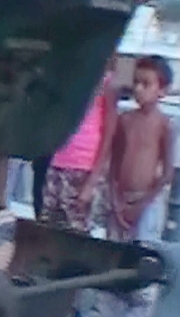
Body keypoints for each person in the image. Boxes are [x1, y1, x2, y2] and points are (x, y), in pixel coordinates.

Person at [68, 55, 177, 317]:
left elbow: (167, 172)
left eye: (147, 84)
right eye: (136, 83)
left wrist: (144, 202)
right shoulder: (125, 121)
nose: (139, 89)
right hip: (118, 199)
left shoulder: (165, 125)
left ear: (162, 90)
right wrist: (115, 199)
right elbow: (114, 164)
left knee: (144, 260)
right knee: (112, 256)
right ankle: (103, 313)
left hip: (147, 203)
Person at [37, 67, 119, 232]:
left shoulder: (107, 83)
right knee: (47, 227)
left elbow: (110, 131)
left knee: (77, 229)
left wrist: (92, 182)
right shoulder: (66, 78)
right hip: (57, 164)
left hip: (83, 169)